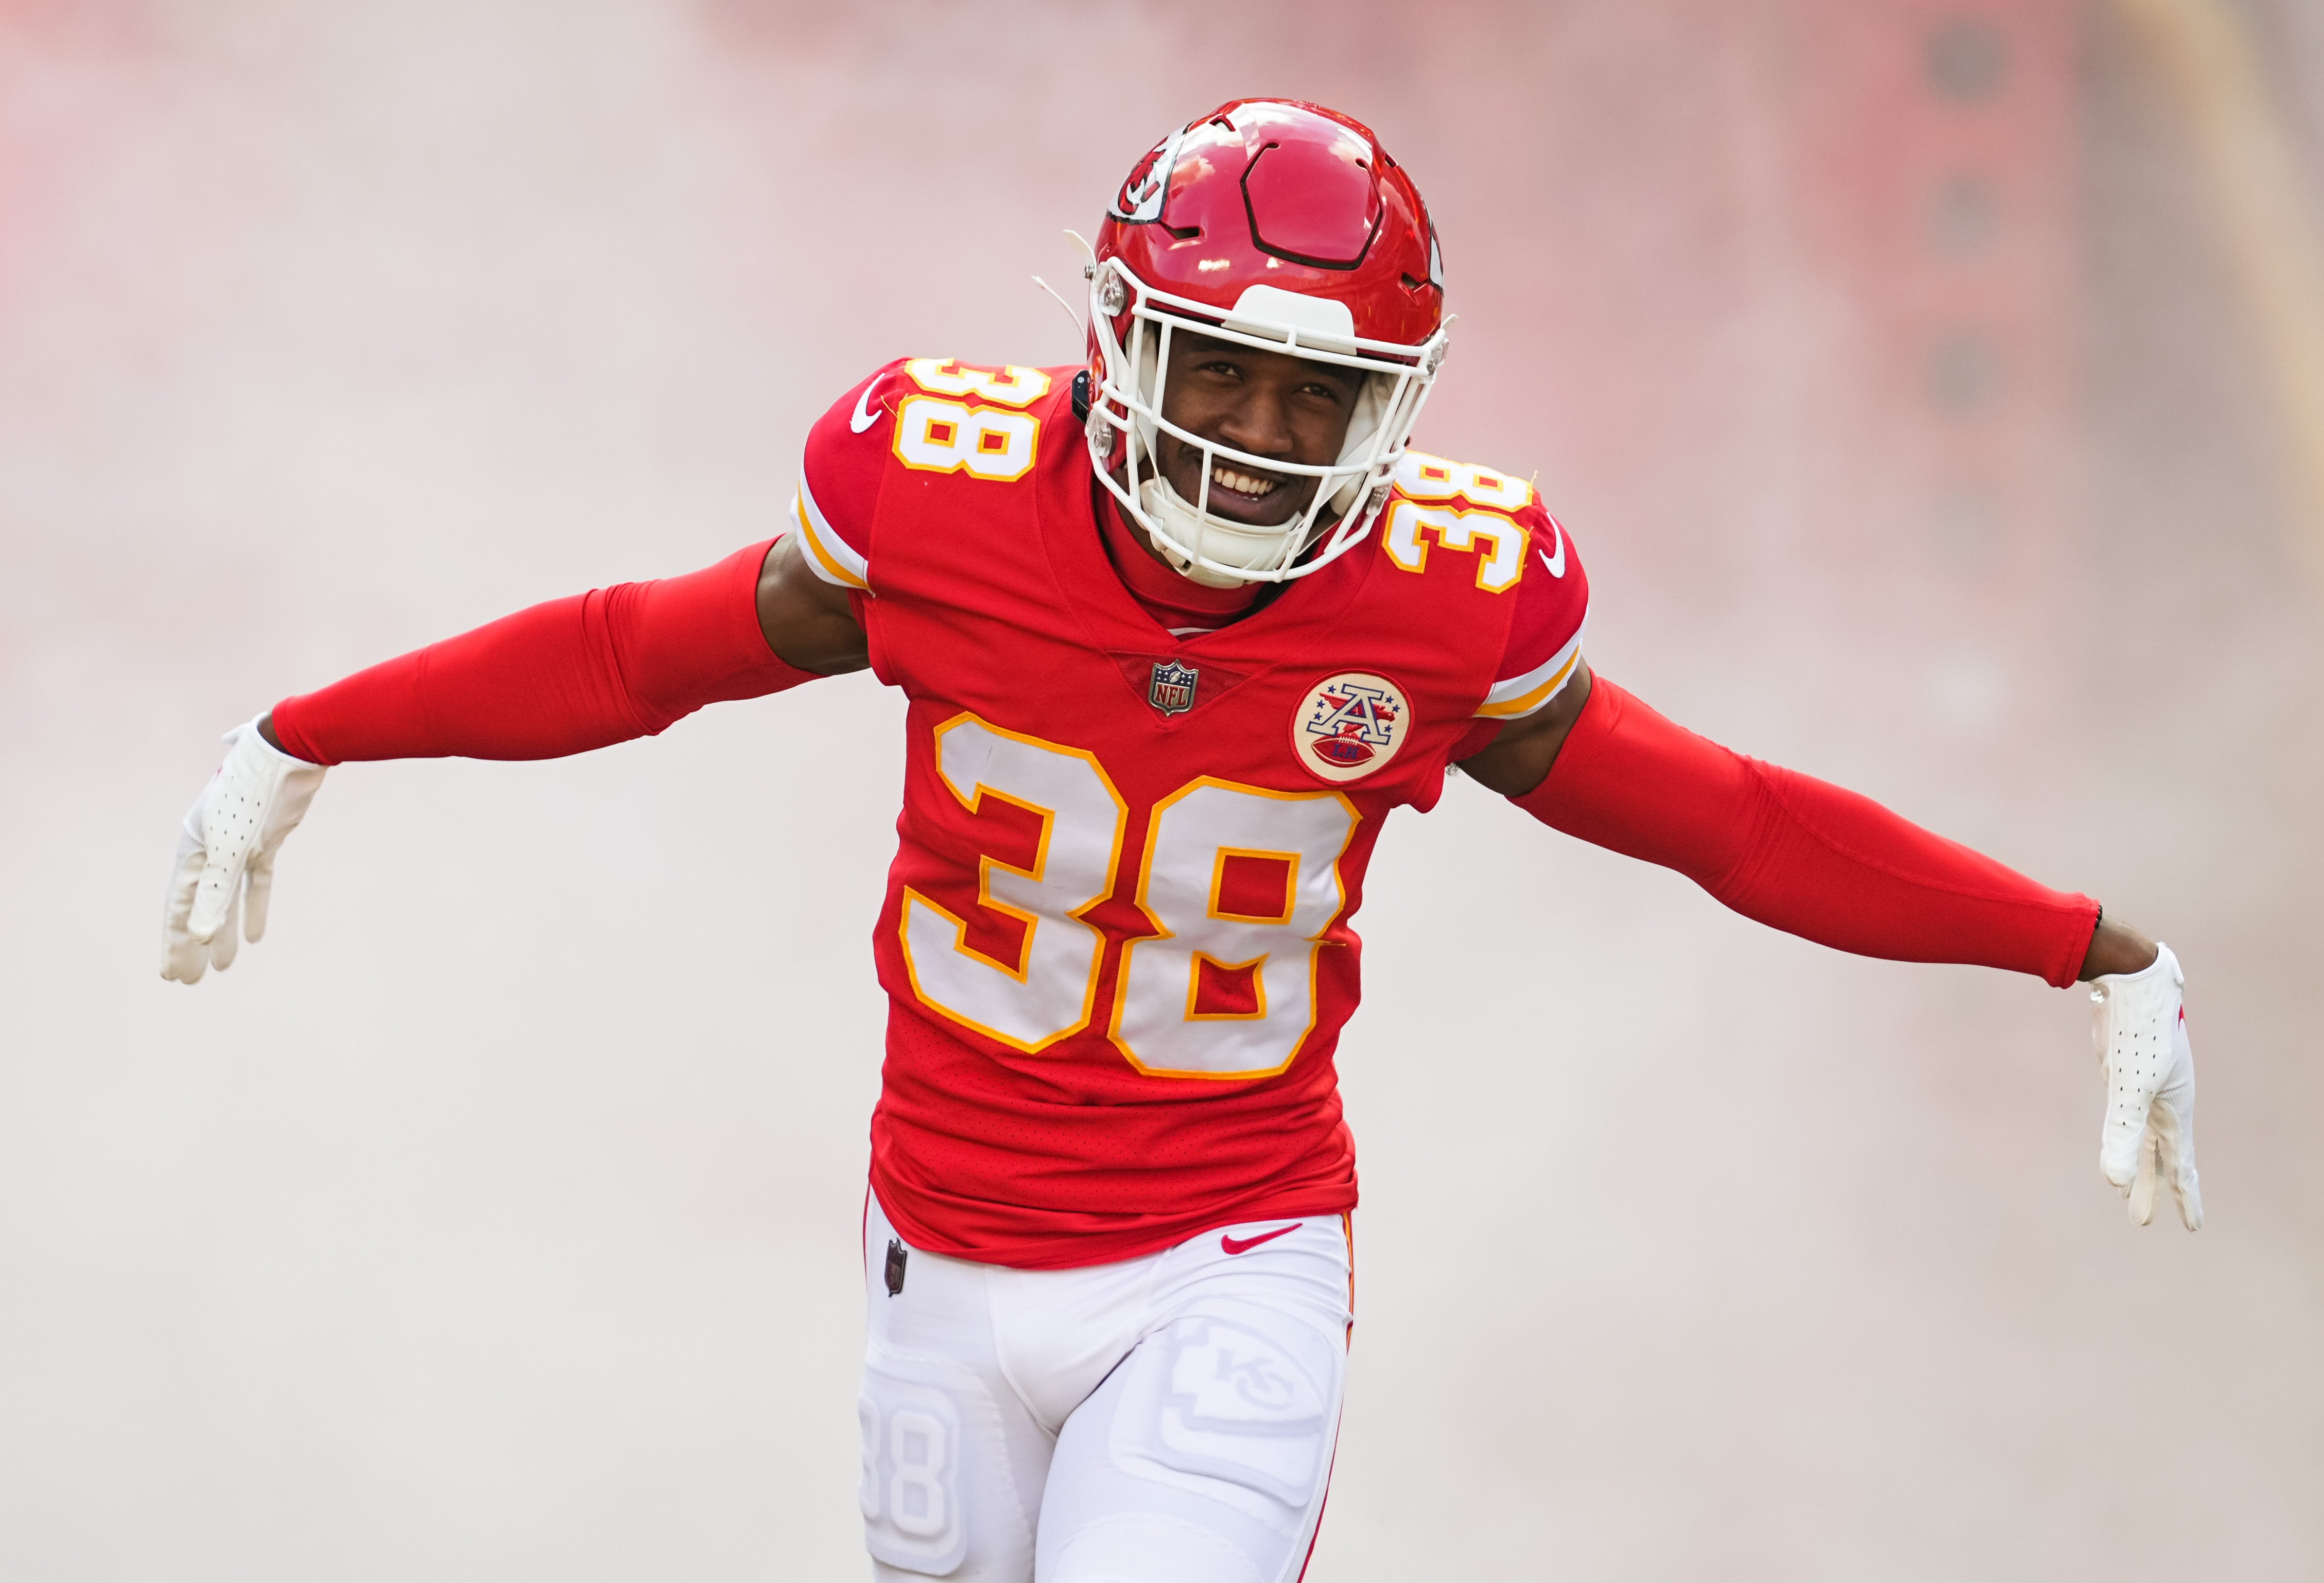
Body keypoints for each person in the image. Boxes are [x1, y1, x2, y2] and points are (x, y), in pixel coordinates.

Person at [159, 99, 2200, 1583]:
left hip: (1222, 1264)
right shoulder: (939, 503)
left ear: (1394, 410)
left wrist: (2077, 941)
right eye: (1220, 368)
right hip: (935, 1262)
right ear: (1117, 338)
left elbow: (1732, 821)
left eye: (1319, 397)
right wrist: (304, 734)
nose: (1256, 435)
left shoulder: (1439, 600)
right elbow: (635, 654)